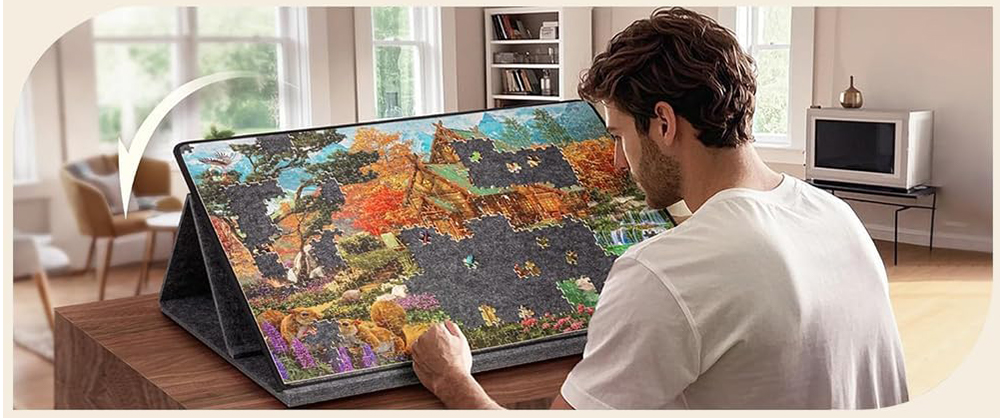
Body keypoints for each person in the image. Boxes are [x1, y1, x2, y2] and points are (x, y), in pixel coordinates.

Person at [409, 7, 908, 409]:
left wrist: (451, 378)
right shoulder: (835, 215)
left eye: (619, 136)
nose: (616, 161)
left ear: (664, 124)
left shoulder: (665, 272)